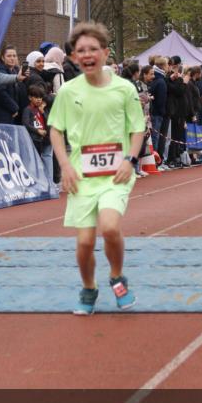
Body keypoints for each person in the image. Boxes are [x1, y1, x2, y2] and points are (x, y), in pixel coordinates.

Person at [48, 21, 146, 315]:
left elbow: (137, 129)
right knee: (85, 243)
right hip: (82, 176)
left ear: (105, 53)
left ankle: (117, 277)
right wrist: (65, 165)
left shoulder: (124, 89)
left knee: (111, 228)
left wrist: (130, 160)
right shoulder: (68, 91)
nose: (87, 55)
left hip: (116, 173)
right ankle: (89, 288)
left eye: (93, 49)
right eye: (81, 51)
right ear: (74, 57)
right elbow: (55, 129)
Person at [22, 85, 54, 186]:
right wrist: (37, 131)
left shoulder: (42, 109)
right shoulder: (28, 109)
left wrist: (43, 112)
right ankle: (35, 183)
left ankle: (50, 183)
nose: (39, 100)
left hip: (46, 138)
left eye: (40, 97)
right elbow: (26, 124)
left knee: (48, 157)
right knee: (34, 160)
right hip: (34, 138)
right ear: (30, 98)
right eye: (36, 97)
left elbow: (49, 122)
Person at [0, 46, 23, 124]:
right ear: (2, 58)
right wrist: (14, 108)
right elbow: (0, 92)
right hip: (1, 114)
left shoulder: (15, 71)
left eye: (14, 56)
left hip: (10, 114)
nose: (12, 58)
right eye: (9, 56)